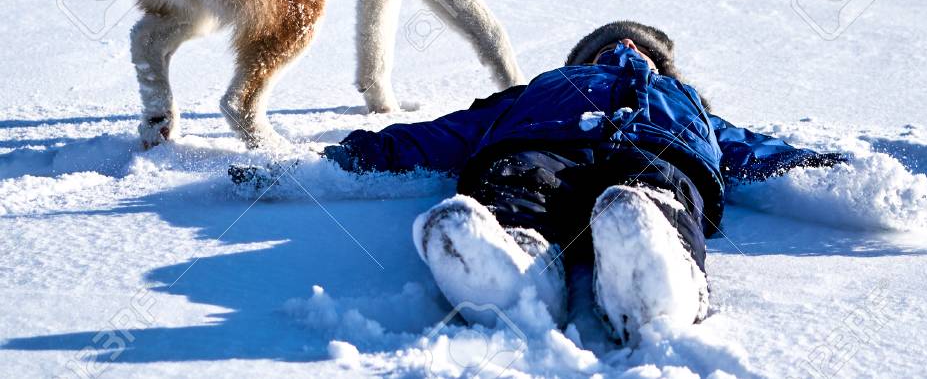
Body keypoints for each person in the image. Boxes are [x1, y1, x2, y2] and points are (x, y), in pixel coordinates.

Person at [275, 21, 845, 343]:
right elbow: (448, 132)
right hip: (539, 145)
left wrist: (832, 175)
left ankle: (656, 263)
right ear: (583, 58)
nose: (625, 51)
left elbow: (753, 149)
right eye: (610, 46)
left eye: (641, 48)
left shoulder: (684, 102)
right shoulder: (538, 90)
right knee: (520, 188)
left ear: (662, 64)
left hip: (654, 152)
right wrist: (349, 156)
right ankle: (513, 261)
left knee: (654, 196)